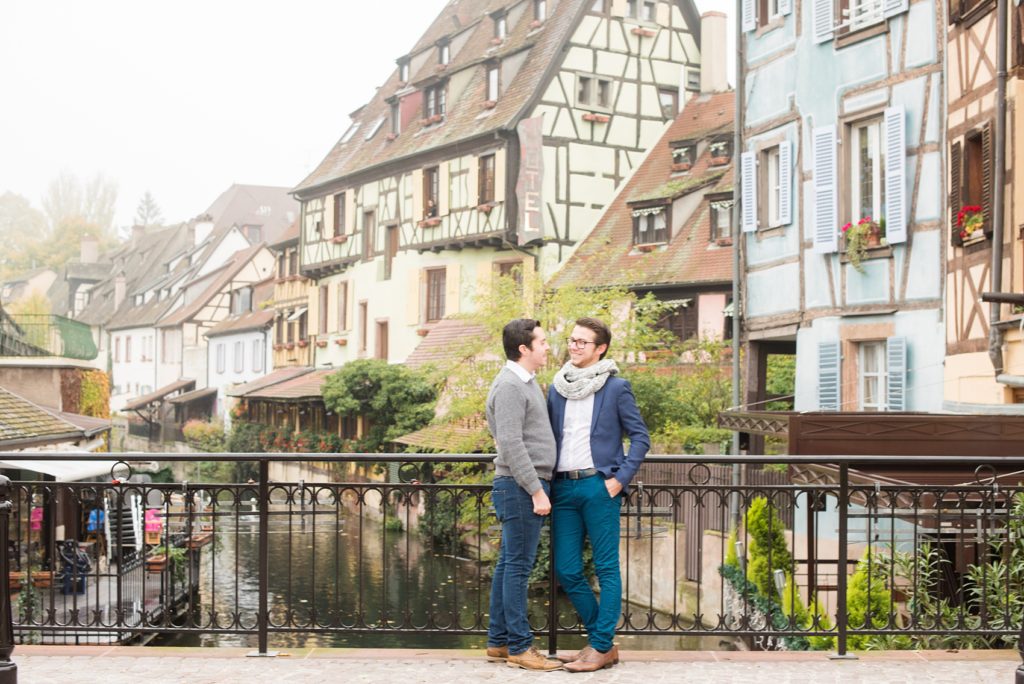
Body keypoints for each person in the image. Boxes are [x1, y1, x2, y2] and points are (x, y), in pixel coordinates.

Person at [547, 317, 650, 672]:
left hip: (599, 486)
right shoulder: (557, 387)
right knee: (568, 569)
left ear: (600, 348)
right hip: (562, 487)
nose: (574, 346)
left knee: (606, 568)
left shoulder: (616, 387)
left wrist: (620, 479)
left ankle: (601, 645)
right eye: (572, 340)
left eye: (582, 342)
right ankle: (600, 642)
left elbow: (641, 437)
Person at [485, 318, 561, 671]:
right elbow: (511, 443)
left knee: (508, 565)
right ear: (524, 349)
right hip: (520, 487)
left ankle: (499, 642)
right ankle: (520, 646)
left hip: (520, 485)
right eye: (542, 342)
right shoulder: (511, 386)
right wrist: (535, 490)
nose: (547, 347)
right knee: (518, 567)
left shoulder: (524, 382)